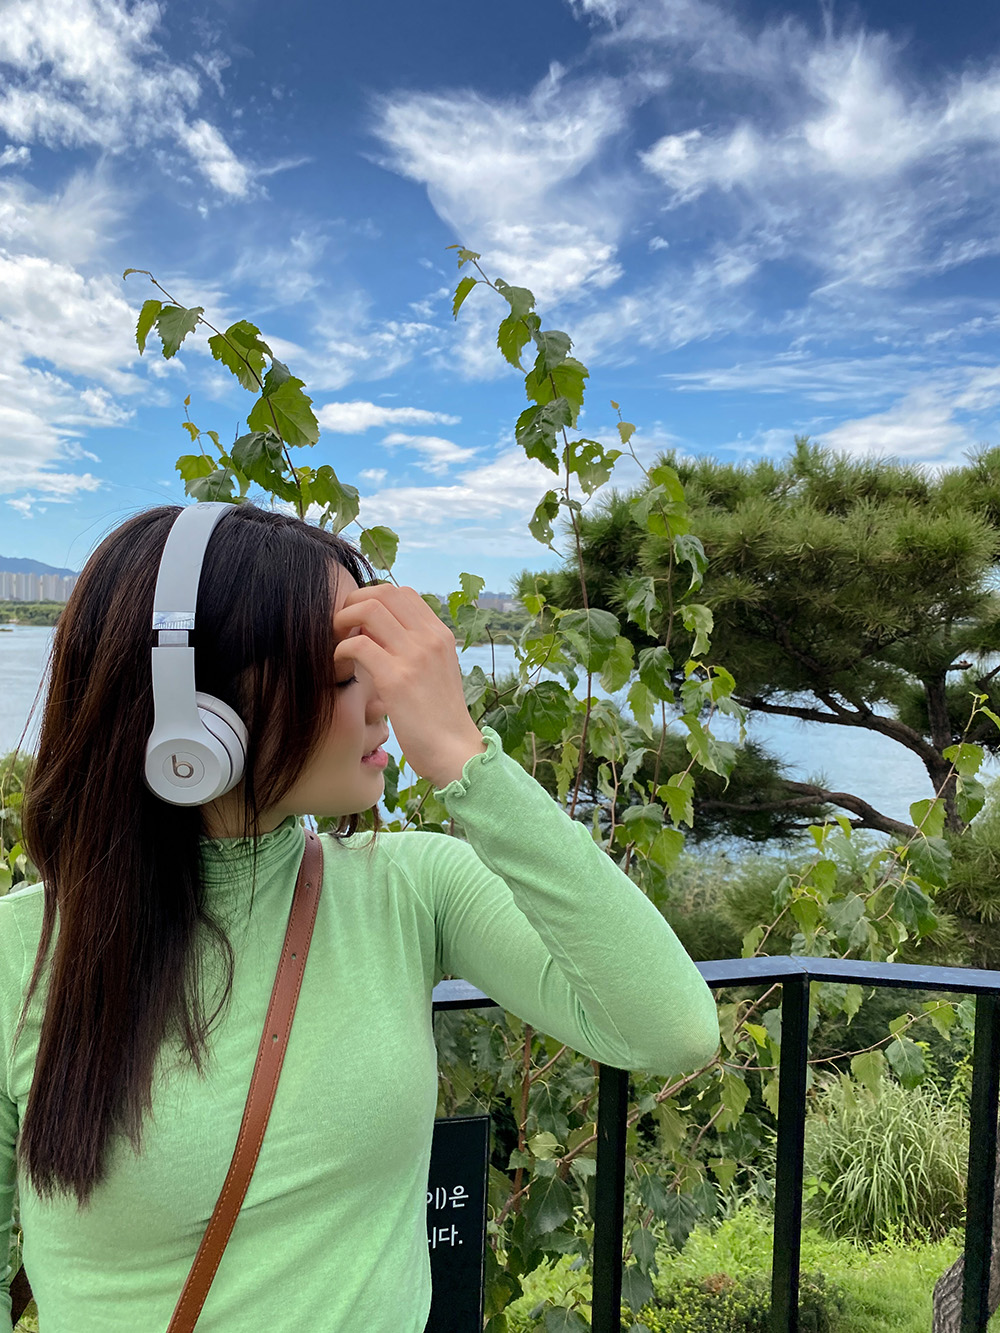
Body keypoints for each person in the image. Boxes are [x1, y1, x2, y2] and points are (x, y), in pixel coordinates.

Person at [0, 502, 720, 1332]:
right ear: (194, 716)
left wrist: (464, 756)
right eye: (345, 674)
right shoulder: (22, 953)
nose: (384, 704)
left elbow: (671, 1027)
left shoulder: (413, 888)